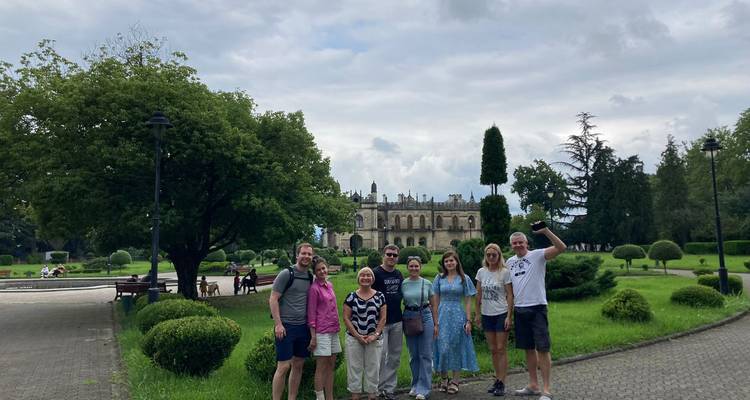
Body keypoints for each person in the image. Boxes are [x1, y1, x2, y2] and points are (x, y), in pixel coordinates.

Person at [506, 224, 566, 400]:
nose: (518, 245)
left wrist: (546, 231)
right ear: (511, 246)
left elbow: (561, 248)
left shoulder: (538, 255)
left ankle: (546, 389)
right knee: (528, 349)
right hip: (520, 309)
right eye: (515, 243)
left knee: (543, 349)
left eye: (521, 242)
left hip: (537, 308)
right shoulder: (510, 262)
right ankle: (533, 385)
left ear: (527, 243)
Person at [269, 243, 315, 400]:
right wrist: (278, 324)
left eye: (309, 254)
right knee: (283, 367)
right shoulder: (286, 274)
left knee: (298, 365)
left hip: (303, 327)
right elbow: (273, 299)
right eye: (303, 253)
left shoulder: (310, 277)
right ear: (297, 255)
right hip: (286, 326)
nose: (306, 256)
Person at [433, 250, 478, 394]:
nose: (449, 263)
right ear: (443, 264)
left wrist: (468, 320)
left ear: (457, 262)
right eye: (446, 261)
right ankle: (444, 378)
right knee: (443, 347)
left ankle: (455, 381)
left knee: (456, 347)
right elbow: (435, 300)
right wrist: (435, 321)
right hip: (442, 315)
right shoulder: (439, 278)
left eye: (451, 260)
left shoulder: (464, 278)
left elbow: (468, 300)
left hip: (458, 315)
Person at [475, 243, 514, 396]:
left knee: (501, 349)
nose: (491, 257)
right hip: (486, 314)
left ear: (499, 256)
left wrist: (509, 316)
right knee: (492, 350)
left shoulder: (504, 272)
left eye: (494, 255)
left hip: (501, 314)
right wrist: (477, 314)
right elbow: (478, 295)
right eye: (488, 255)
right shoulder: (481, 272)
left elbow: (510, 295)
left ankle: (502, 382)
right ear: (485, 256)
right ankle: (496, 379)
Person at [343, 267, 387, 400]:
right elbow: (346, 317)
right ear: (358, 279)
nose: (365, 278)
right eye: (362, 275)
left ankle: (372, 395)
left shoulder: (380, 296)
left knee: (373, 368)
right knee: (354, 368)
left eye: (368, 275)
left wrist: (376, 334)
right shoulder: (351, 296)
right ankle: (355, 396)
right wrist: (357, 336)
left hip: (374, 338)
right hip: (354, 338)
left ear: (372, 279)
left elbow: (383, 318)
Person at [400, 256, 437, 400]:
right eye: (411, 266)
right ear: (407, 267)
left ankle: (424, 388)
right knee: (413, 354)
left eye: (416, 266)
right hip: (409, 317)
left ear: (420, 267)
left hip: (425, 316)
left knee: (425, 354)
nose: (414, 268)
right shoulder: (404, 283)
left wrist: (436, 324)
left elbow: (434, 305)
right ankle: (415, 384)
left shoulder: (427, 283)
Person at [372, 244, 403, 400]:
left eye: (394, 255)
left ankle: (389, 388)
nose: (391, 257)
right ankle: (377, 387)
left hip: (397, 320)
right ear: (383, 255)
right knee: (380, 355)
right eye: (389, 254)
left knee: (394, 356)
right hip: (380, 322)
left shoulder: (398, 274)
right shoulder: (376, 273)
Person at [307, 256, 341, 400]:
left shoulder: (330, 285)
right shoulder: (314, 289)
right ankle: (320, 397)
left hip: (333, 330)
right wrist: (313, 336)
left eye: (323, 268)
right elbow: (311, 313)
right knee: (321, 367)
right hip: (321, 332)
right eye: (318, 270)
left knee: (331, 365)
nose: (322, 271)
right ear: (314, 272)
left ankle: (330, 397)